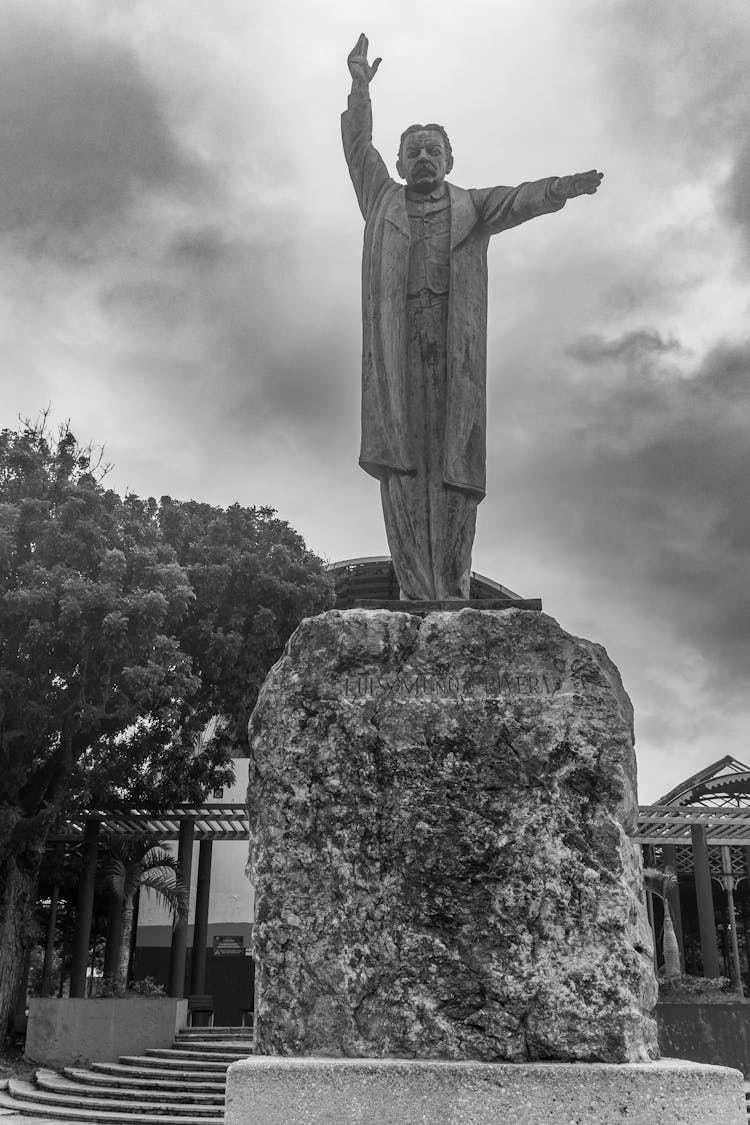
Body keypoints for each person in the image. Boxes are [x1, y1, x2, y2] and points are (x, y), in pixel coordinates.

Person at [342, 34, 603, 600]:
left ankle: (453, 590)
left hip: (453, 352)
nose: (422, 158)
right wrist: (360, 88)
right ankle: (415, 589)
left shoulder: (473, 205)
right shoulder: (381, 199)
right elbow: (357, 146)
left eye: (432, 149)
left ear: (450, 159)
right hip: (397, 351)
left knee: (455, 466)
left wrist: (559, 188)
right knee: (404, 463)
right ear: (400, 161)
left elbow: (520, 198)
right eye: (412, 151)